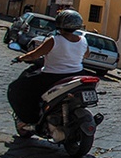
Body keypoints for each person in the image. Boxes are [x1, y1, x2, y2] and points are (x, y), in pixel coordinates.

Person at [7, 9, 89, 137]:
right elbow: (86, 55)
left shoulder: (54, 40)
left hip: (52, 76)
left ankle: (28, 119)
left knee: (17, 88)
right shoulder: (83, 40)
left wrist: (20, 58)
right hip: (76, 74)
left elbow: (33, 55)